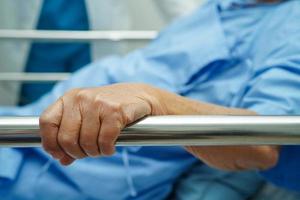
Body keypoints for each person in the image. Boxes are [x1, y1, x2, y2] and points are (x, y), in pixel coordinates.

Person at [1, 0, 300, 199]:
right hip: (24, 126)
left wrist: (158, 101)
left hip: (50, 169)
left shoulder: (291, 26)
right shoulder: (224, 6)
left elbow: (261, 144)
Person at [0, 0, 202, 106]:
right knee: (38, 119)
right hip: (35, 44)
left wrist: (203, 33)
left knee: (91, 119)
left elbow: (179, 7)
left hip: (93, 41)